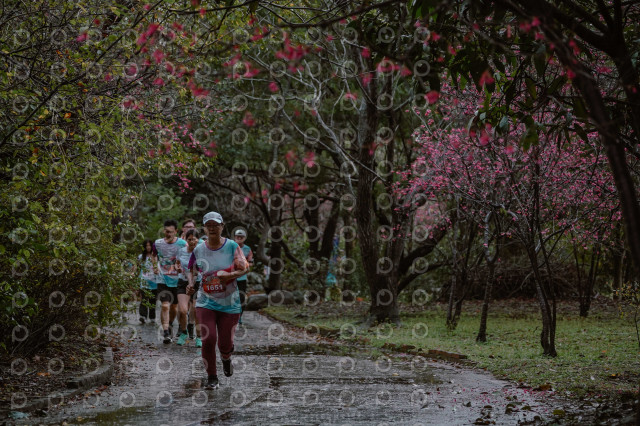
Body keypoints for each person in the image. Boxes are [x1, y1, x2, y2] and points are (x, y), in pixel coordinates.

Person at [187, 212, 248, 390]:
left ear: (222, 226)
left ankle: (226, 357)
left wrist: (229, 276)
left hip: (230, 303)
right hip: (206, 300)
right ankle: (212, 377)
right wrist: (190, 284)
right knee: (208, 339)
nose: (212, 228)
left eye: (216, 225)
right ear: (205, 228)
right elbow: (191, 269)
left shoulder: (232, 246)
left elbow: (244, 268)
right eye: (209, 225)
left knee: (224, 344)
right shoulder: (199, 249)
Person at [153, 219, 187, 344]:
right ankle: (166, 332)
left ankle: (170, 324)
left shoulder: (182, 244)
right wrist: (155, 266)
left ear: (176, 231)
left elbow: (188, 256)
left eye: (171, 232)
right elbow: (154, 255)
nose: (168, 234)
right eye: (166, 231)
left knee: (174, 307)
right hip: (162, 278)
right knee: (165, 305)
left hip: (177, 279)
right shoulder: (158, 243)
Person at [175, 228, 202, 347]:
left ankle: (199, 337)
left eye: (194, 239)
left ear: (198, 240)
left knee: (196, 310)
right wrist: (177, 268)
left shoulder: (201, 252)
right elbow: (177, 263)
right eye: (189, 239)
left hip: (198, 282)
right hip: (183, 282)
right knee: (182, 310)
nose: (191, 242)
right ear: (186, 240)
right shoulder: (181, 251)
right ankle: (184, 332)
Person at [233, 229, 253, 324]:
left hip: (242, 277)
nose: (239, 238)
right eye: (238, 236)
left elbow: (251, 262)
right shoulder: (231, 246)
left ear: (244, 238)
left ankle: (239, 316)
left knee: (241, 297)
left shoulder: (248, 249)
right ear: (235, 237)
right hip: (231, 276)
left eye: (241, 237)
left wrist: (245, 265)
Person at [138, 240, 157, 324]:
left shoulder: (156, 256)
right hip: (144, 280)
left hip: (154, 281)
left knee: (153, 299)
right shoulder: (141, 257)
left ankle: (152, 317)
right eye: (146, 246)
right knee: (144, 299)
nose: (148, 247)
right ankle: (143, 316)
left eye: (149, 245)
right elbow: (138, 268)